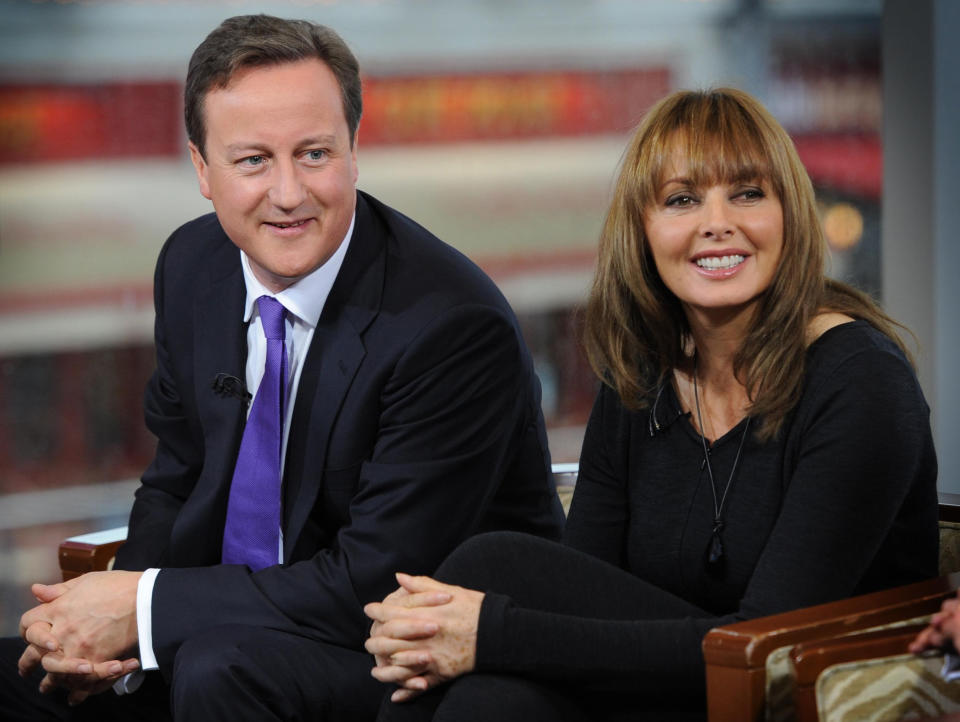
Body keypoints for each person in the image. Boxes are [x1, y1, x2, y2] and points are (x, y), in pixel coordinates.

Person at [0, 14, 564, 722]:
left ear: (355, 153)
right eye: (253, 160)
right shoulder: (193, 265)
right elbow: (175, 480)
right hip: (233, 624)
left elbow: (373, 581)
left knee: (216, 670)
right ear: (203, 171)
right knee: (20, 670)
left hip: (402, 651)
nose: (290, 193)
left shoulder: (447, 325)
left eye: (315, 154)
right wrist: (102, 645)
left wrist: (141, 610)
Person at [363, 87, 939, 722]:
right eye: (682, 199)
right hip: (658, 686)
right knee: (493, 700)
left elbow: (766, 646)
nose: (717, 222)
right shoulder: (642, 373)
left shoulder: (860, 381)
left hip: (792, 693)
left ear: (791, 215)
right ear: (643, 228)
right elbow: (577, 591)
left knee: (491, 563)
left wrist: (491, 635)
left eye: (748, 193)